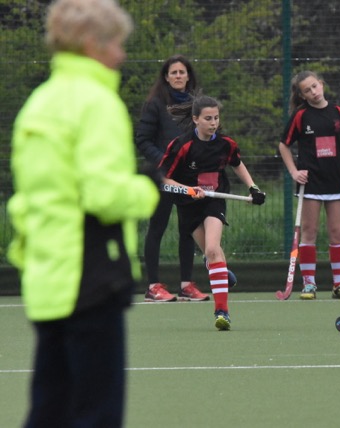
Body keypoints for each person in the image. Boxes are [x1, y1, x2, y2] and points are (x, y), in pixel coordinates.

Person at [7, 0, 160, 426]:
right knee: (96, 413)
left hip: (47, 278)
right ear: (93, 43)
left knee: (49, 410)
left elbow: (27, 197)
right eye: (117, 43)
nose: (122, 54)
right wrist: (147, 189)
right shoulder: (97, 103)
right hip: (92, 274)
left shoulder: (39, 102)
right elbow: (104, 196)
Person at [160, 95, 266, 330]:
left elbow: (236, 163)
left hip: (214, 202)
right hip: (188, 205)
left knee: (211, 248)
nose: (213, 123)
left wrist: (253, 187)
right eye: (208, 118)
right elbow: (163, 179)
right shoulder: (182, 145)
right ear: (195, 119)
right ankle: (220, 271)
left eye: (216, 118)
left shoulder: (226, 144)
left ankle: (222, 312)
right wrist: (189, 190)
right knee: (212, 255)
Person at [279, 70, 340, 300]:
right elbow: (283, 145)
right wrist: (294, 172)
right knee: (309, 232)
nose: (313, 92)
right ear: (302, 96)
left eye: (315, 86)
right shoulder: (300, 116)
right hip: (310, 185)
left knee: (337, 232)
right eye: (307, 90)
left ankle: (339, 284)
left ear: (321, 84)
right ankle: (309, 285)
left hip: (336, 182)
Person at [135, 54, 209, 302]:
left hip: (187, 176)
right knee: (157, 227)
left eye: (182, 72)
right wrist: (165, 163)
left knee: (188, 228)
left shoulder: (196, 105)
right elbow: (142, 140)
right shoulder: (155, 103)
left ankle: (186, 285)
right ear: (166, 77)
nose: (178, 76)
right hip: (162, 177)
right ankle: (153, 287)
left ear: (188, 76)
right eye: (173, 73)